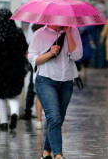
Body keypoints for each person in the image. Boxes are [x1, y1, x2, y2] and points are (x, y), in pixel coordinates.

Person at [28, 22, 83, 159]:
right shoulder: (39, 34)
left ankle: (46, 152)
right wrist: (50, 53)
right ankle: (58, 154)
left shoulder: (73, 31)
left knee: (58, 119)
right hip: (45, 80)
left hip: (66, 81)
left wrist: (69, 34)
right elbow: (32, 59)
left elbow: (77, 56)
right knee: (54, 117)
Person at [0, 9, 28, 130]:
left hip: (2, 68)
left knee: (0, 95)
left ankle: (3, 122)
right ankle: (14, 113)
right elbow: (25, 48)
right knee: (13, 95)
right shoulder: (18, 32)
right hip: (17, 67)